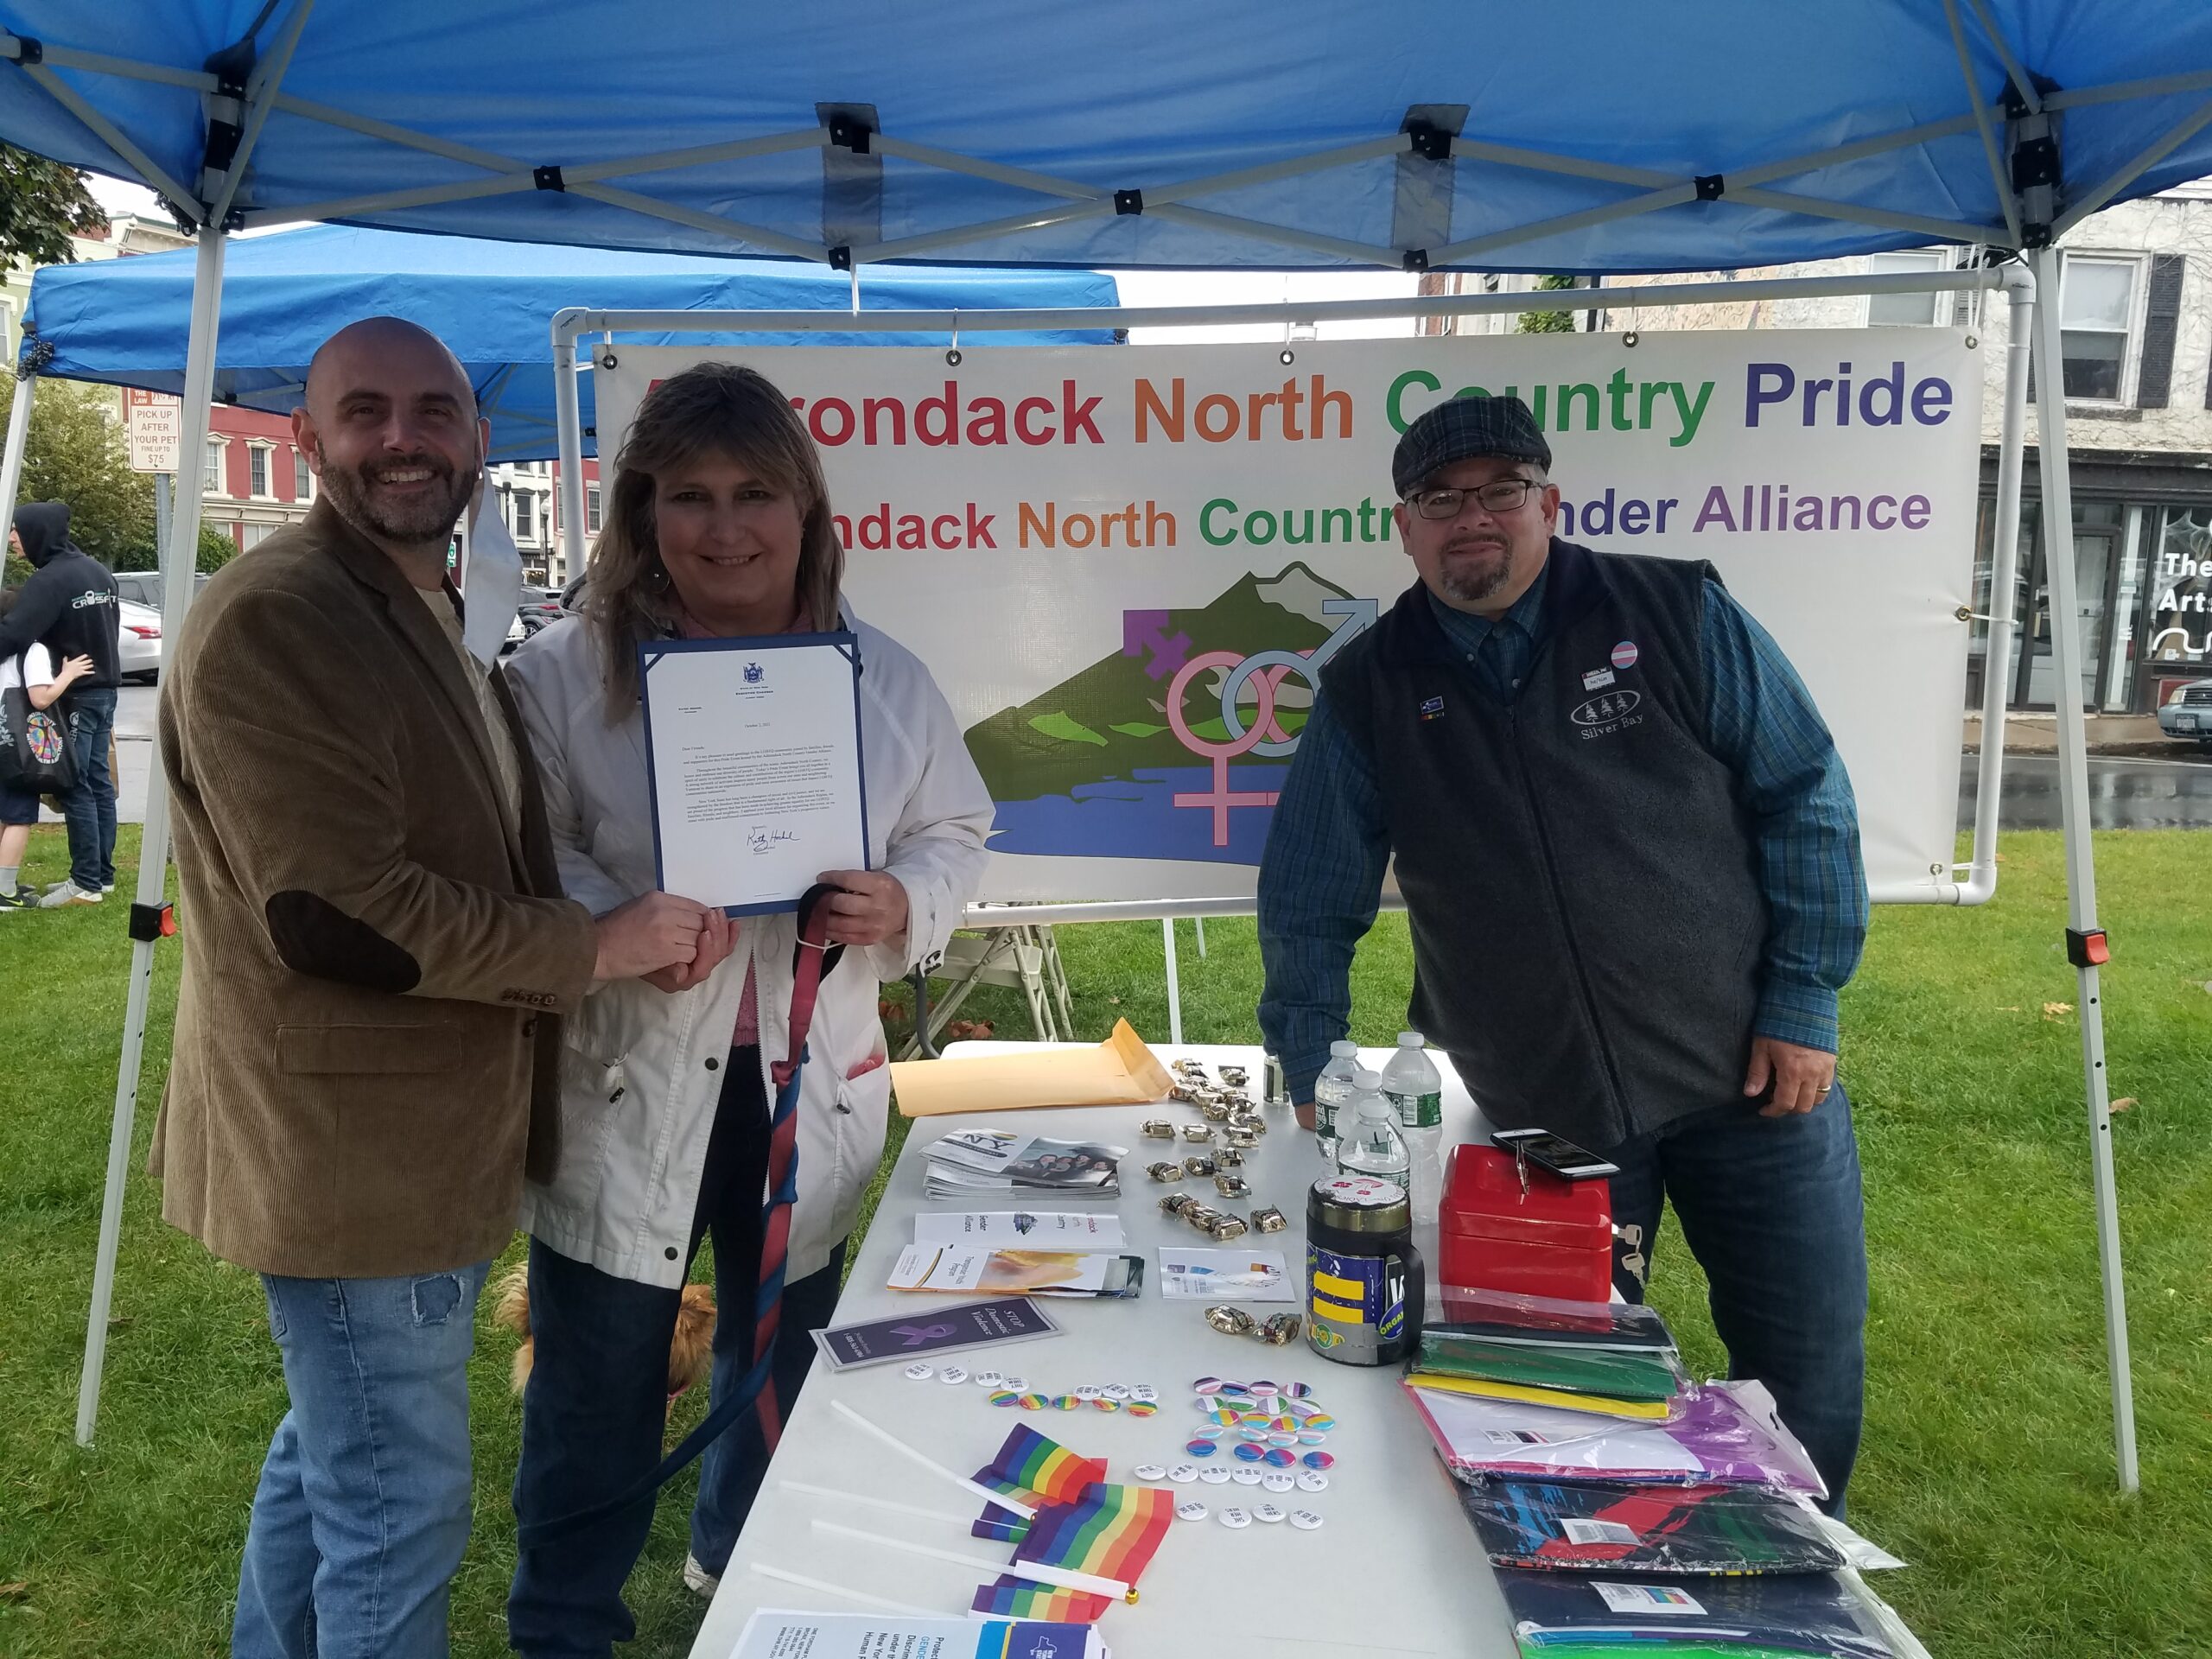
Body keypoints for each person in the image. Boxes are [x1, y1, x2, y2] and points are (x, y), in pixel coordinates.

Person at [153, 316, 716, 1658]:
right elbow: (336, 913)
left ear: (474, 438)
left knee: (333, 1459)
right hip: (357, 1164)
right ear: (307, 440)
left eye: (432, 412)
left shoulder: (412, 605)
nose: (401, 439)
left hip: (418, 1150)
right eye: (366, 413)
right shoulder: (283, 619)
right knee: (396, 1511)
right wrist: (598, 946)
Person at [1256, 393, 1869, 1511]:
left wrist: (1804, 1001)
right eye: (1441, 499)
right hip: (1549, 1105)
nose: (1471, 518)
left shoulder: (1673, 609)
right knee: (1561, 1392)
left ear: (1550, 501)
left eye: (1499, 490)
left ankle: (1793, 1587)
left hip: (1753, 1078)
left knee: (1803, 1378)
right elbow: (1308, 892)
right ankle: (1600, 1593)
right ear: (1405, 527)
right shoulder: (1368, 685)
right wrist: (1307, 1058)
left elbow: (1804, 795)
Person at [502, 362, 992, 1657]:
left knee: (780, 1354)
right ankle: (562, 1625)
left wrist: (904, 901)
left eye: (755, 493)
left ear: (807, 506)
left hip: (802, 1075)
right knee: (597, 1376)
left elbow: (958, 828)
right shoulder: (559, 676)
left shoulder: (882, 680)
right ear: (641, 514)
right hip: (626, 1082)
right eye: (690, 497)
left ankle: (743, 1561)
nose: (725, 530)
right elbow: (521, 843)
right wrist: (615, 922)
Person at [0, 502, 122, 906]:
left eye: (17, 530)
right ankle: (102, 877)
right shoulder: (97, 572)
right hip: (105, 690)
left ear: (37, 532)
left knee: (76, 786)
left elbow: (14, 634)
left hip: (74, 697)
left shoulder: (49, 581)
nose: (13, 538)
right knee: (99, 783)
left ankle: (85, 884)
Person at [0, 587, 93, 909]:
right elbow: (40, 698)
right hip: (15, 746)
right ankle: (5, 891)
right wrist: (67, 675)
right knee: (18, 817)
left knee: (3, 812)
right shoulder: (31, 650)